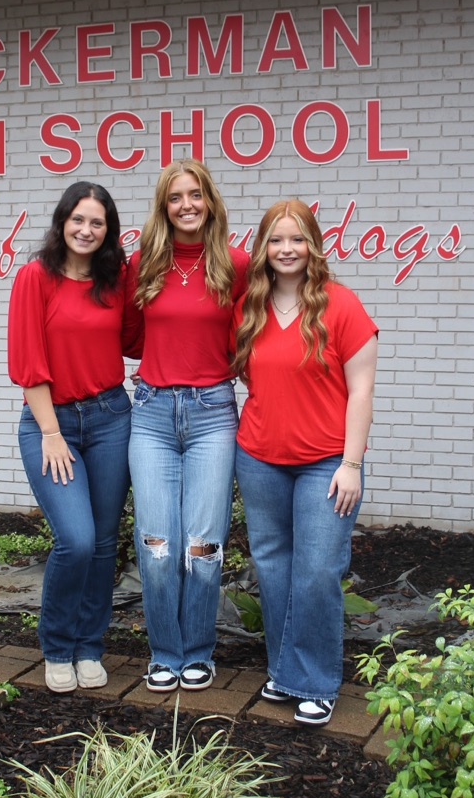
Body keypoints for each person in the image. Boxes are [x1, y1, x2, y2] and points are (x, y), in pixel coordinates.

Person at [232, 199, 378, 726]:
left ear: (313, 244)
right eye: (276, 240)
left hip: (326, 464)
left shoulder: (340, 305)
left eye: (296, 239)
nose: (286, 249)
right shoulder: (250, 306)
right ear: (264, 248)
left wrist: (352, 464)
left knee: (317, 570)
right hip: (259, 457)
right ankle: (283, 670)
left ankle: (315, 680)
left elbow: (360, 392)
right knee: (272, 567)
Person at [7, 182, 141, 694]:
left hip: (111, 417)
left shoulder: (114, 278)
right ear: (62, 221)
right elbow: (28, 363)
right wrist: (50, 432)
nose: (86, 230)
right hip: (50, 421)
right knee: (76, 539)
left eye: (97, 223)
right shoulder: (34, 278)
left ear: (109, 231)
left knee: (104, 544)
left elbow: (134, 337)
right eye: (78, 219)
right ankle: (58, 645)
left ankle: (90, 646)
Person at [128, 159, 249, 693]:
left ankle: (197, 650)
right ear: (164, 206)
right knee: (156, 546)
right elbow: (129, 336)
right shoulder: (143, 264)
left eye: (195, 195)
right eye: (175, 197)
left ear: (210, 201)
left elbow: (250, 339)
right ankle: (164, 652)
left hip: (212, 414)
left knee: (202, 545)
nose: (187, 206)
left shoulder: (235, 264)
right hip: (151, 414)